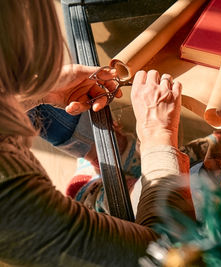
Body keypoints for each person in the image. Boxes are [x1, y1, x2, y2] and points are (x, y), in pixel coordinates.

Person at [0, 0, 194, 266]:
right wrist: (157, 134)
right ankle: (99, 190)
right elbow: (166, 257)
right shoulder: (10, 196)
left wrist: (36, 93)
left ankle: (110, 171)